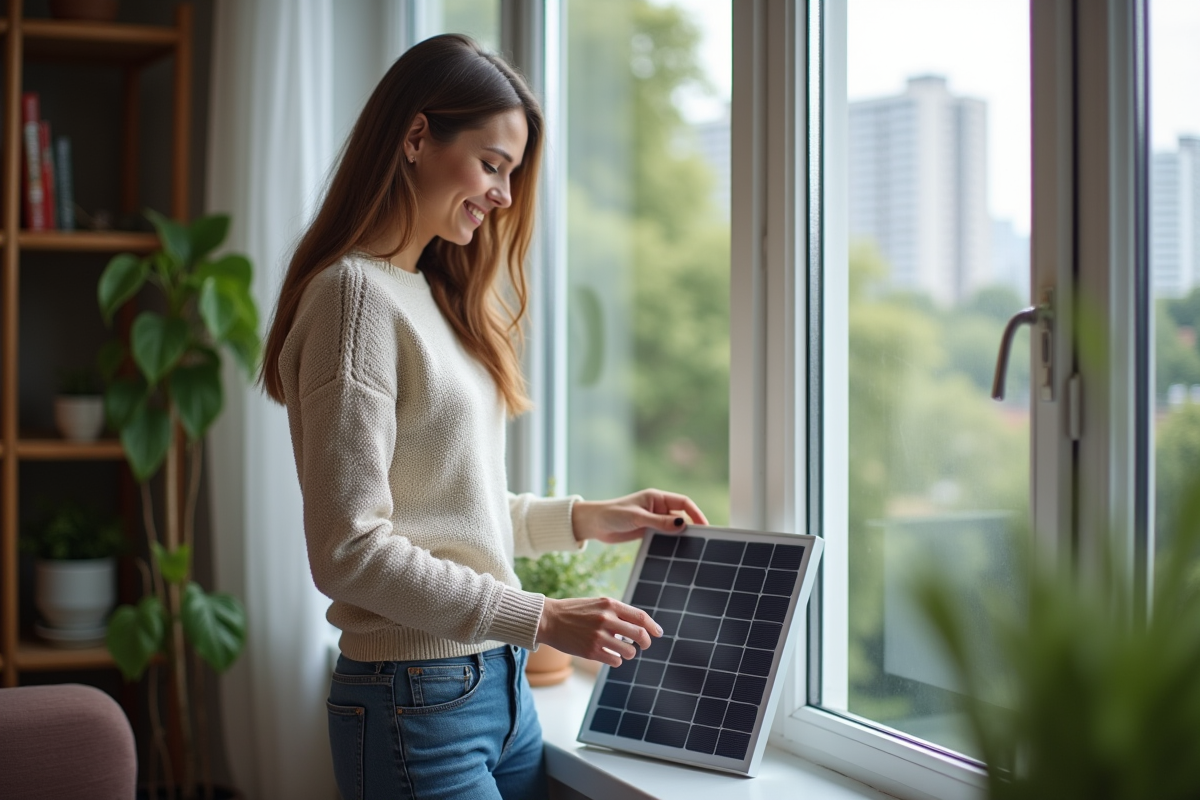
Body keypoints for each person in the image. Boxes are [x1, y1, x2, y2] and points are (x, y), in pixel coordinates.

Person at [259, 34, 709, 800]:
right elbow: (350, 550)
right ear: (415, 137)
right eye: (493, 164)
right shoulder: (352, 299)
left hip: (495, 696)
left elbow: (443, 511)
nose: (504, 194)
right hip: (414, 704)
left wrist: (589, 518)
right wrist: (541, 617)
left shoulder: (428, 292)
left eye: (512, 173)